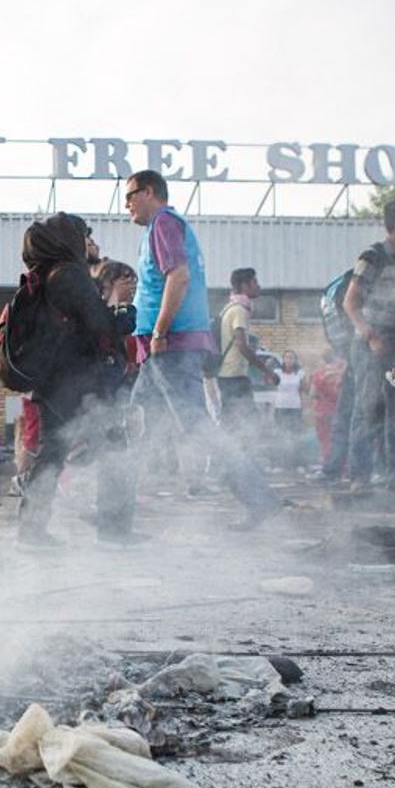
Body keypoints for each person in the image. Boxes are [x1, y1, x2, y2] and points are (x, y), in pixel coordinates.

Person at [125, 169, 278, 524]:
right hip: (161, 349)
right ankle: (113, 515)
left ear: (149, 192)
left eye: (131, 195)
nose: (127, 203)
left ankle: (260, 500)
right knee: (133, 423)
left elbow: (178, 276)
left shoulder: (164, 223)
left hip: (170, 346)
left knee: (196, 426)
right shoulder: (160, 227)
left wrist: (160, 331)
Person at [11, 214, 137, 548]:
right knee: (114, 448)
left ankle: (31, 531)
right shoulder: (69, 275)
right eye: (83, 236)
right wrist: (123, 307)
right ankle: (114, 530)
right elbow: (105, 328)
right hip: (78, 382)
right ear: (69, 239)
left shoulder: (48, 274)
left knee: (52, 453)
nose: (87, 242)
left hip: (55, 383)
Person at [343, 198, 395, 491]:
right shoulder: (372, 256)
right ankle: (360, 478)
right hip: (369, 345)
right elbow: (350, 303)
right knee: (367, 407)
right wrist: (371, 336)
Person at [215, 268, 279, 429]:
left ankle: (222, 451)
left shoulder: (230, 307)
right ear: (245, 286)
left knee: (232, 420)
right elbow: (242, 346)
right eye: (255, 282)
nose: (258, 286)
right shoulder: (239, 310)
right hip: (234, 377)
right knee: (248, 421)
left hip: (227, 375)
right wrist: (266, 370)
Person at [304, 350, 345, 467]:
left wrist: (322, 397)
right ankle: (342, 467)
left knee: (325, 439)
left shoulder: (319, 373)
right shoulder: (341, 372)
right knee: (339, 438)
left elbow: (312, 394)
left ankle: (328, 465)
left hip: (321, 411)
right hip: (338, 410)